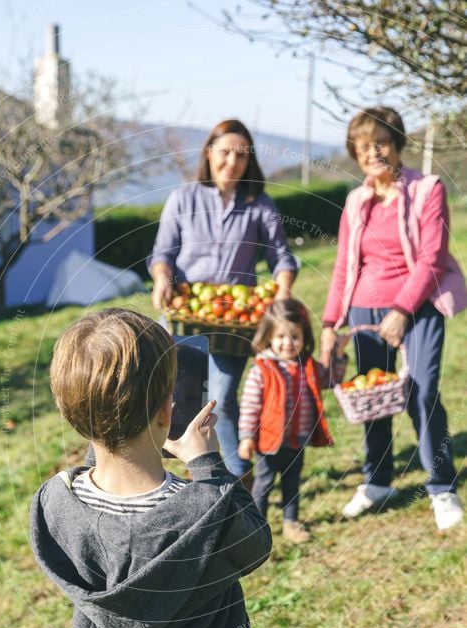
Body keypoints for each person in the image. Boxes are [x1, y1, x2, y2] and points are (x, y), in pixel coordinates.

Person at [29, 308, 272, 628]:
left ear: (74, 415)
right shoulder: (203, 511)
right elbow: (255, 542)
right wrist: (205, 462)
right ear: (167, 411)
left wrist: (113, 433)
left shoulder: (54, 501)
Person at [321, 106, 464, 530]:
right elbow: (345, 263)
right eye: (363, 146)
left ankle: (441, 487)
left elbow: (432, 258)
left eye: (381, 141)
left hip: (418, 308)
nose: (373, 152)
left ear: (398, 144)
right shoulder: (356, 200)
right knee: (374, 399)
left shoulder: (426, 189)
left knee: (421, 392)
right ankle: (378, 481)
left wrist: (402, 310)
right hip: (365, 310)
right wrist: (330, 324)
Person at [149, 118, 300, 478]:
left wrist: (283, 290)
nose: (232, 162)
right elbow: (162, 255)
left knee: (222, 400)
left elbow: (281, 257)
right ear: (208, 153)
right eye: (225, 152)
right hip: (187, 310)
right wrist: (161, 280)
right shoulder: (183, 199)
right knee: (176, 401)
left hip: (236, 320)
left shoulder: (259, 204)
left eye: (241, 155)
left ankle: (234, 478)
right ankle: (171, 478)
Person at [238, 299, 348, 544]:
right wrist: (246, 437)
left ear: (304, 337)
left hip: (297, 440)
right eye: (280, 337)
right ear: (268, 337)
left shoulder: (307, 366)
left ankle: (291, 522)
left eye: (295, 337)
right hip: (268, 442)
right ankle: (256, 526)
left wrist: (338, 355)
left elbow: (330, 379)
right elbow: (249, 406)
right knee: (264, 484)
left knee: (292, 482)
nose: (288, 343)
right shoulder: (261, 369)